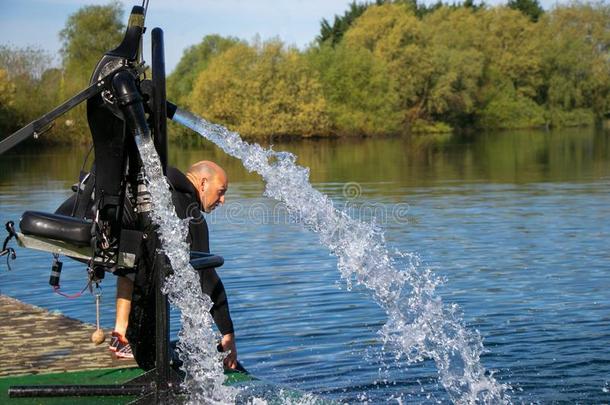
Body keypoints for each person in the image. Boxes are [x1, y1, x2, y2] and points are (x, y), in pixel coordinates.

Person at [111, 160, 239, 370]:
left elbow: (127, 265)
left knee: (137, 256)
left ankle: (121, 332)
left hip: (90, 221)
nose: (223, 200)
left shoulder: (158, 184)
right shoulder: (189, 210)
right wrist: (228, 333)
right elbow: (207, 277)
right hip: (106, 236)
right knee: (167, 357)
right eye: (221, 191)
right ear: (203, 183)